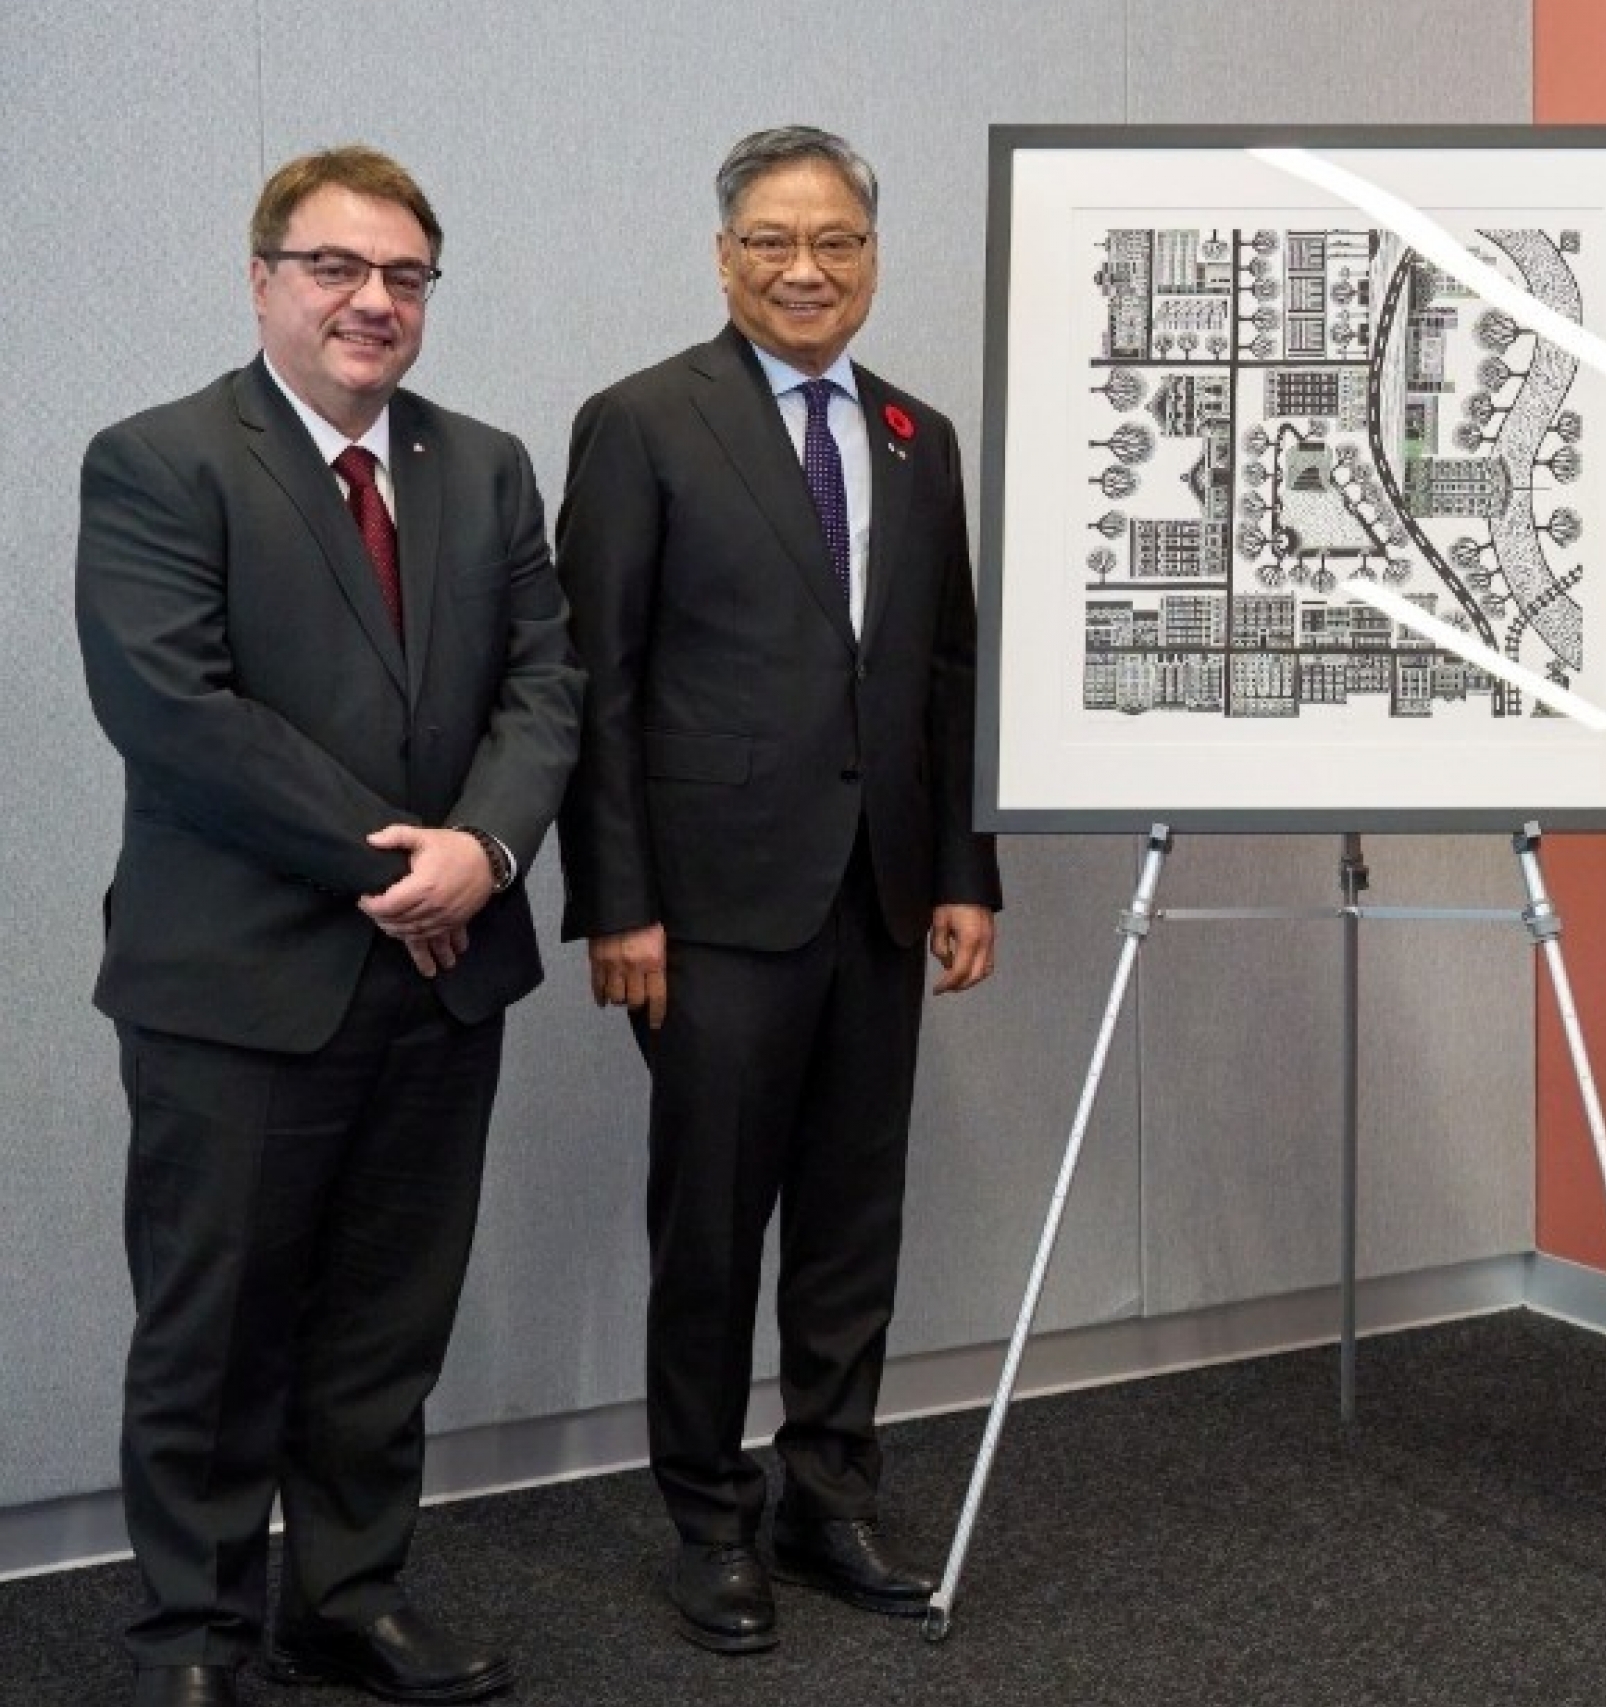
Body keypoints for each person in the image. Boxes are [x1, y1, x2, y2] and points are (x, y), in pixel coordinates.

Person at [74, 146, 583, 1707]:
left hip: (441, 988)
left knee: (384, 1323)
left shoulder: (484, 464)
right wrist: (402, 870)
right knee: (214, 1335)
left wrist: (485, 852)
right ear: (261, 279)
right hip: (242, 984)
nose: (374, 301)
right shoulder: (160, 460)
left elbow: (543, 687)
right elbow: (175, 711)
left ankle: (347, 1596)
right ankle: (196, 1638)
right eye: (336, 269)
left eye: (406, 276)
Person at [555, 123, 1001, 1655]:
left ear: (873, 258)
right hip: (709, 913)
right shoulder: (642, 422)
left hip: (879, 900)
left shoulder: (916, 437)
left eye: (839, 243)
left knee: (852, 1222)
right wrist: (616, 903)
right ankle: (708, 1517)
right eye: (773, 241)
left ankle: (831, 1490)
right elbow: (597, 683)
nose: (807, 269)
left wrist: (962, 872)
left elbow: (949, 671)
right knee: (712, 1227)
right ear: (723, 252)